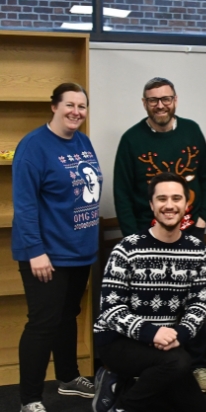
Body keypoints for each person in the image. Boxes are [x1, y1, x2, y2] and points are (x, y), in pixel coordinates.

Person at [113, 77, 206, 392]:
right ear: (144, 103)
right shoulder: (131, 139)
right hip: (147, 237)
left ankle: (196, 365)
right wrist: (135, 239)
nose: (160, 104)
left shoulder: (191, 130)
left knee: (193, 301)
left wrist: (200, 219)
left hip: (189, 234)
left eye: (166, 98)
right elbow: (122, 192)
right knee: (148, 304)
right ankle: (150, 365)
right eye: (153, 99)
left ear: (175, 100)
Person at [12, 83, 101, 412]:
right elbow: (24, 205)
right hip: (45, 255)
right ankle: (30, 399)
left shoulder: (82, 141)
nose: (76, 111)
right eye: (70, 105)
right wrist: (35, 251)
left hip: (78, 251)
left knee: (68, 317)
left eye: (82, 106)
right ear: (54, 107)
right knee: (42, 325)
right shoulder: (34, 146)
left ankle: (68, 378)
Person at [92, 173, 206, 412]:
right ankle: (122, 407)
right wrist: (150, 332)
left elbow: (200, 303)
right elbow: (111, 310)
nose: (169, 205)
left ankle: (121, 385)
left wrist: (179, 334)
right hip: (118, 341)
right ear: (152, 205)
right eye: (162, 198)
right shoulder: (127, 248)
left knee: (196, 408)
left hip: (166, 341)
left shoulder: (197, 250)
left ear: (186, 205)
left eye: (176, 198)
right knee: (178, 362)